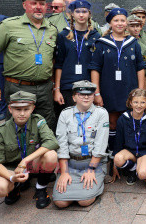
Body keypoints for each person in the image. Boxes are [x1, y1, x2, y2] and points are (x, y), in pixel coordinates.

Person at [0, 0, 58, 130]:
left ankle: (44, 153)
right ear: (25, 5)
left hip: (45, 88)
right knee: (16, 128)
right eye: (33, 3)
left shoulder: (52, 28)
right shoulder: (9, 25)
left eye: (42, 4)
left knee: (46, 126)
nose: (38, 7)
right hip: (18, 87)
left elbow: (53, 59)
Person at [89, 7, 146, 158]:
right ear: (110, 23)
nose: (120, 23)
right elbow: (95, 69)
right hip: (110, 91)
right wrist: (97, 93)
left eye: (122, 20)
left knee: (130, 122)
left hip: (130, 91)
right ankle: (113, 153)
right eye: (116, 20)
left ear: (126, 23)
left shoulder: (133, 43)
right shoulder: (102, 43)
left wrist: (141, 92)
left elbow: (140, 69)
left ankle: (130, 153)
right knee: (112, 123)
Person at [0, 91, 59, 209]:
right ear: (10, 109)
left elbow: (52, 142)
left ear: (33, 108)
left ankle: (41, 188)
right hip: (11, 168)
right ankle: (14, 186)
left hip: (30, 164)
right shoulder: (1, 131)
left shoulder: (38, 121)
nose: (22, 113)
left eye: (26, 109)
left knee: (51, 155)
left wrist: (25, 161)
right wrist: (11, 177)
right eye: (17, 109)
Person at [53, 80, 109, 208]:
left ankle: (98, 179)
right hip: (71, 165)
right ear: (73, 97)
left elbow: (100, 145)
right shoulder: (65, 114)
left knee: (84, 201)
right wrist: (64, 172)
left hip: (93, 164)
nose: (86, 97)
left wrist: (91, 170)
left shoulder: (101, 113)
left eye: (89, 94)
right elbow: (62, 144)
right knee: (60, 202)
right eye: (81, 94)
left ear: (94, 96)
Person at [54, 0, 100, 113]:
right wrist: (57, 89)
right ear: (72, 14)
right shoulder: (64, 35)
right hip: (67, 86)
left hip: (88, 86)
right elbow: (59, 64)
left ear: (89, 14)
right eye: (77, 11)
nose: (81, 14)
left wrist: (97, 91)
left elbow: (97, 66)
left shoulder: (95, 36)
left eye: (84, 11)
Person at [112, 88, 146, 188]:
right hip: (129, 152)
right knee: (118, 159)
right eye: (135, 102)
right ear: (130, 103)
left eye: (142, 102)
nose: (139, 105)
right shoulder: (123, 119)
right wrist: (114, 166)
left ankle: (139, 168)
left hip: (144, 152)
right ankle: (132, 168)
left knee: (143, 175)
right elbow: (118, 143)